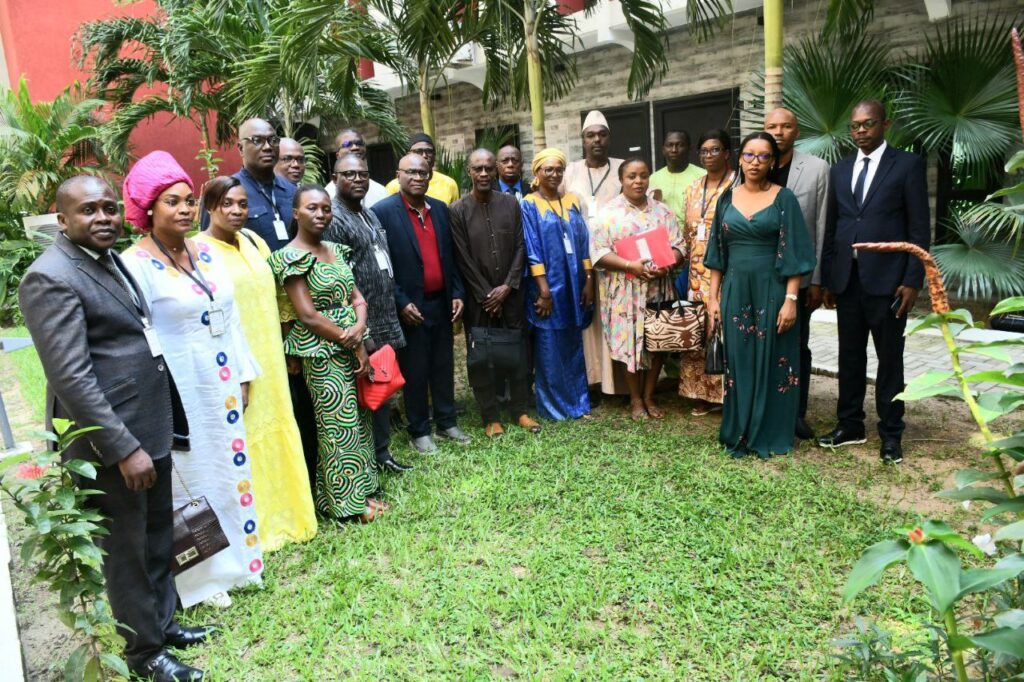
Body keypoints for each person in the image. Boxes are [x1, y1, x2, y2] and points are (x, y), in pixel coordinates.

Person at [19, 176, 211, 682]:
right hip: (113, 438)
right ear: (62, 220)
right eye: (88, 210)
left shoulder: (106, 257)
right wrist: (123, 448)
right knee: (126, 548)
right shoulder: (50, 276)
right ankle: (145, 654)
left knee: (155, 534)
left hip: (148, 420)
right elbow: (71, 377)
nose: (103, 217)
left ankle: (163, 622)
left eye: (109, 207)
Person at [121, 151, 263, 610]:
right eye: (170, 201)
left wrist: (242, 372)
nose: (184, 209)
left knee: (228, 469)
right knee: (191, 478)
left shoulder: (205, 250)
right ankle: (200, 580)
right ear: (147, 208)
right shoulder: (134, 264)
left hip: (221, 382)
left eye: (188, 200)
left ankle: (239, 562)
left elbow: (230, 315)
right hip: (179, 390)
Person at [195, 176, 317, 551]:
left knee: (281, 426)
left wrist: (289, 347)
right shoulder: (197, 250)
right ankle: (254, 528)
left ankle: (291, 514)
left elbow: (280, 296)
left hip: (271, 357)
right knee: (244, 439)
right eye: (227, 204)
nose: (236, 211)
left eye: (242, 204)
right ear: (210, 207)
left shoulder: (254, 241)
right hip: (233, 362)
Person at [819, 100, 930, 464]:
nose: (860, 131)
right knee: (849, 357)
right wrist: (831, 278)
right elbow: (833, 227)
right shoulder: (841, 170)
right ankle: (850, 424)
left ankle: (891, 433)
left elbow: (918, 228)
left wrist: (913, 279)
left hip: (889, 282)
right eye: (854, 126)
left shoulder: (908, 165)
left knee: (890, 361)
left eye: (868, 124)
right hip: (849, 281)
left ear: (885, 124)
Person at [268, 185, 386, 521]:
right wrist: (352, 342)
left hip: (352, 341)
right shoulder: (289, 257)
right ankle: (346, 506)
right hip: (321, 352)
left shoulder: (336, 249)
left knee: (359, 420)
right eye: (312, 209)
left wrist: (360, 328)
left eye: (325, 208)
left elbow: (357, 297)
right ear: (295, 213)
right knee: (337, 425)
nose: (320, 215)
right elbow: (307, 315)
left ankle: (360, 491)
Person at [213, 118, 317, 492]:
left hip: (303, 310)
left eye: (273, 140)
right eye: (257, 140)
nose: (267, 146)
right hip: (256, 317)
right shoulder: (232, 195)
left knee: (305, 400)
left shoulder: (292, 192)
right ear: (240, 146)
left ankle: (307, 476)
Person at [704, 132, 816, 459]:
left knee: (774, 359)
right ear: (739, 158)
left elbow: (795, 253)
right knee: (739, 360)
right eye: (749, 155)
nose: (755, 162)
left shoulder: (785, 199)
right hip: (736, 290)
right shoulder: (726, 199)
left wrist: (791, 300)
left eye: (763, 156)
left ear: (772, 162)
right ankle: (738, 427)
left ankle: (770, 430)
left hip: (774, 289)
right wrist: (713, 299)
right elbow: (716, 254)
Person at [374, 153, 472, 453]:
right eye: (411, 172)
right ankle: (419, 430)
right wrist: (400, 301)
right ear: (398, 175)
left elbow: (451, 257)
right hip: (409, 307)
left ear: (431, 176)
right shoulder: (383, 212)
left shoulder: (441, 210)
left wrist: (456, 291)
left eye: (423, 173)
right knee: (415, 369)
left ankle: (446, 422)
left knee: (443, 365)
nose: (418, 178)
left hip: (441, 303)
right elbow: (383, 265)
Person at [323, 154, 412, 473]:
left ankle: (383, 453)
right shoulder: (333, 219)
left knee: (382, 388)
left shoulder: (369, 215)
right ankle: (370, 458)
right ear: (335, 179)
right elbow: (339, 279)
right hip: (361, 322)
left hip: (385, 313)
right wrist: (364, 332)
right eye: (350, 174)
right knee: (367, 391)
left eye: (363, 173)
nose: (358, 179)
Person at [450, 149, 540, 437]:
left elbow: (521, 246)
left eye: (489, 168)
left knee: (518, 354)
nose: (485, 173)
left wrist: (507, 286)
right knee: (480, 358)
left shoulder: (511, 205)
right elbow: (461, 257)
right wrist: (486, 294)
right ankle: (490, 417)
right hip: (479, 301)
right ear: (469, 171)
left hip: (511, 294)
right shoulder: (458, 210)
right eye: (479, 168)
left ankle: (520, 411)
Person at [590, 158, 685, 421]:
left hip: (658, 289)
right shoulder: (608, 213)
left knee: (656, 344)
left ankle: (649, 395)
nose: (638, 181)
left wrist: (668, 264)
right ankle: (634, 399)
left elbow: (680, 246)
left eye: (643, 176)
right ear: (621, 180)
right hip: (624, 292)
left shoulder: (662, 212)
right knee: (628, 344)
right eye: (631, 176)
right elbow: (598, 252)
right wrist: (630, 264)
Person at [764, 107, 831, 441]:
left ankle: (796, 412)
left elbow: (820, 226)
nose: (779, 132)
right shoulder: (752, 164)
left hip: (799, 277)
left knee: (797, 344)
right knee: (763, 341)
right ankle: (766, 407)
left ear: (797, 131)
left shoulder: (817, 169)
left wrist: (817, 279)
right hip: (760, 276)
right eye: (772, 126)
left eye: (786, 126)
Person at [522, 148, 595, 421]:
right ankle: (554, 408)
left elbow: (583, 242)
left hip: (575, 285)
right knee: (549, 346)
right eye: (548, 169)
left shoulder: (573, 201)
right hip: (548, 287)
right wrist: (543, 290)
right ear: (537, 173)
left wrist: (588, 280)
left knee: (573, 343)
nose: (554, 174)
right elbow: (531, 248)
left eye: (558, 169)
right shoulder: (528, 204)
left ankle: (578, 404)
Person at [562, 109, 628, 397]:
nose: (597, 140)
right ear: (583, 139)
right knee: (589, 322)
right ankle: (591, 382)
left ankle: (620, 382)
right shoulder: (570, 172)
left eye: (602, 134)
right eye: (591, 135)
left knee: (616, 318)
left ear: (609, 138)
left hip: (616, 257)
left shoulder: (623, 167)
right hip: (579, 258)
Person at [679, 129, 736, 416]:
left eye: (715, 150)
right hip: (695, 272)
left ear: (727, 153)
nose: (709, 155)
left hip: (728, 269)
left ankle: (729, 393)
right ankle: (700, 393)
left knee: (725, 328)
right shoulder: (692, 187)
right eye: (704, 151)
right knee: (699, 332)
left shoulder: (737, 184)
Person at [384, 133, 461, 204]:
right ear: (408, 155)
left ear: (434, 156)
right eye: (418, 151)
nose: (424, 155)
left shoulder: (449, 184)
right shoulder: (393, 187)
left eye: (429, 151)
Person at [649, 130, 706, 221]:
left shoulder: (703, 176)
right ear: (663, 149)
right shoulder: (653, 179)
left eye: (680, 145)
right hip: (664, 232)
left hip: (692, 233)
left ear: (689, 148)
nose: (674, 150)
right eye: (670, 145)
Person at [325, 128, 389, 208]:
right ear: (338, 155)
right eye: (347, 144)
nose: (355, 147)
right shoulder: (328, 195)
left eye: (359, 143)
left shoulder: (380, 191)